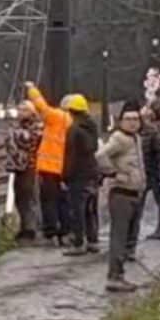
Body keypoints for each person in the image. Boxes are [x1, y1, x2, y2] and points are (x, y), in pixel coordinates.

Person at [95, 102, 146, 292]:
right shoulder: (120, 139)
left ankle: (119, 274)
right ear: (121, 121)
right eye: (128, 119)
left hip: (135, 192)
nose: (133, 123)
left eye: (136, 119)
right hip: (121, 193)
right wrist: (113, 173)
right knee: (119, 235)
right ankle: (114, 276)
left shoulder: (136, 138)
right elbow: (100, 155)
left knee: (128, 237)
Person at [25, 81, 72, 247]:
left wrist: (31, 89)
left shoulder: (58, 117)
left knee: (49, 201)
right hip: (64, 168)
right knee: (63, 201)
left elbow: (41, 106)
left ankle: (51, 231)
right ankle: (65, 231)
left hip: (49, 167)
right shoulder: (73, 122)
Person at [60, 93, 100, 257]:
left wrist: (64, 176)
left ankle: (78, 243)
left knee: (77, 210)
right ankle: (93, 241)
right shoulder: (92, 127)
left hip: (78, 176)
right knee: (91, 209)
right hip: (92, 173)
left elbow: (71, 156)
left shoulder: (74, 129)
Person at [134, 98, 160, 249]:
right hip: (151, 169)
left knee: (155, 200)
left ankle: (159, 228)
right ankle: (158, 228)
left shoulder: (155, 129)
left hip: (152, 170)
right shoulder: (159, 128)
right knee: (158, 200)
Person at [5, 101, 43, 243]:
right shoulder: (18, 127)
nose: (20, 112)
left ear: (31, 112)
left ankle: (31, 228)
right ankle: (24, 225)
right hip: (18, 167)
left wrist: (14, 136)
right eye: (19, 109)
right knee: (20, 197)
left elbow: (27, 141)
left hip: (30, 167)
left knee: (28, 197)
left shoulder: (37, 127)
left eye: (23, 110)